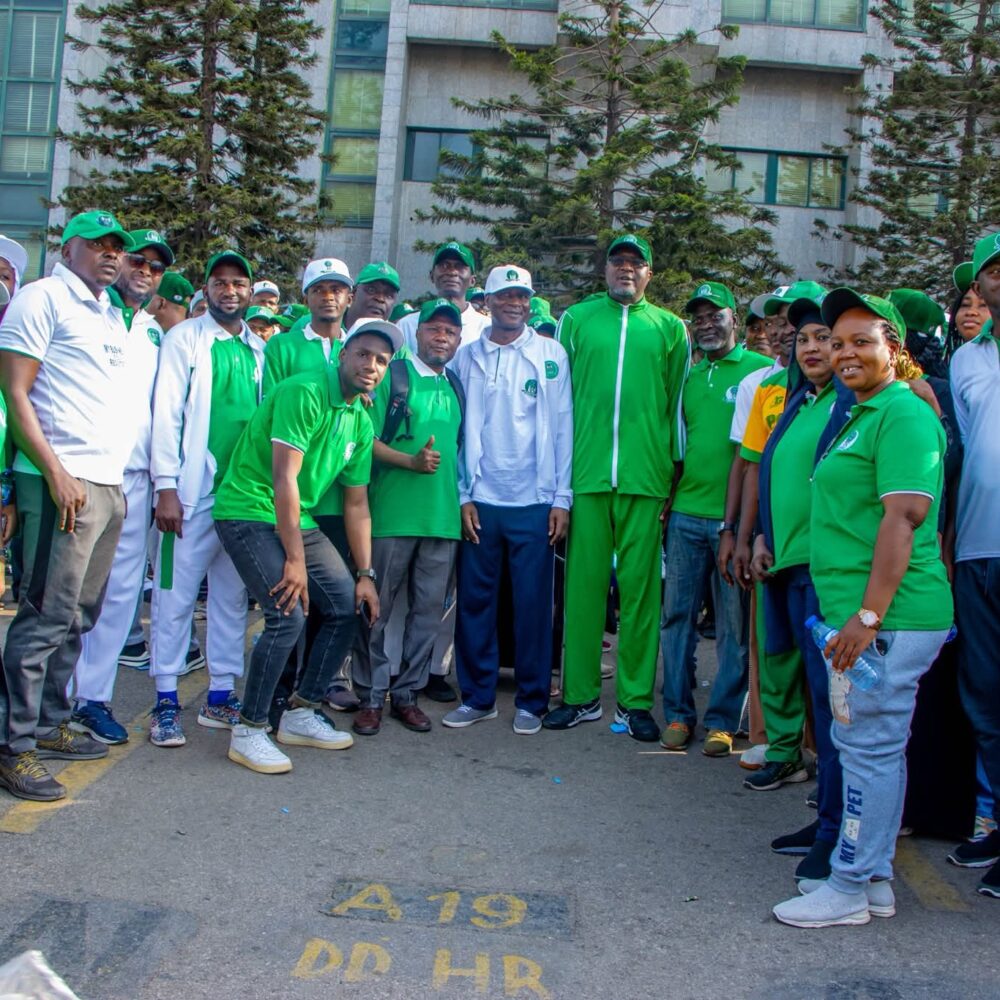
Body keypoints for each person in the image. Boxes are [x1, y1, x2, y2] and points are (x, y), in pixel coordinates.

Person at [773, 289, 953, 928]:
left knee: (867, 751)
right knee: (875, 749)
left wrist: (868, 617)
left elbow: (903, 519)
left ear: (893, 348)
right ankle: (873, 879)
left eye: (861, 342)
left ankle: (848, 884)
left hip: (888, 620)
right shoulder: (865, 412)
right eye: (838, 342)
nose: (844, 353)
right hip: (864, 616)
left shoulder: (901, 414)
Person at [213, 319, 395, 772]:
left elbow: (357, 504)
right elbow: (284, 478)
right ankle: (249, 729)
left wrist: (366, 575)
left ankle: (301, 712)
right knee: (287, 615)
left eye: (381, 360)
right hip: (248, 509)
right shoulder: (305, 391)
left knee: (348, 605)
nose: (371, 365)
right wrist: (294, 560)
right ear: (343, 355)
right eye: (363, 354)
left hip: (298, 517)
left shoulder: (360, 418)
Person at [0, 211, 133, 801]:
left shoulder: (107, 311)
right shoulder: (41, 298)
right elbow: (16, 391)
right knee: (44, 616)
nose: (111, 254)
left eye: (117, 247)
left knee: (79, 615)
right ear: (68, 248)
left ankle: (49, 724)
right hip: (61, 480)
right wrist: (55, 472)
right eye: (97, 244)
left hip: (105, 483)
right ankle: (13, 746)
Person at [544, 234, 688, 741]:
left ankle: (634, 702)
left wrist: (673, 474)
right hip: (585, 477)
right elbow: (557, 400)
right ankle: (580, 696)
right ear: (605, 269)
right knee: (582, 594)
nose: (626, 268)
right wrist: (558, 480)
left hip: (645, 480)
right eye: (618, 261)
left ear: (649, 273)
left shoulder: (670, 328)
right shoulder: (576, 320)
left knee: (640, 596)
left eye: (636, 262)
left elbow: (676, 406)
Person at [444, 266, 572, 735]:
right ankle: (478, 698)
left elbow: (564, 427)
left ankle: (531, 701)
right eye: (505, 296)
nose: (515, 304)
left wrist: (561, 498)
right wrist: (463, 495)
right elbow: (457, 433)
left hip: (534, 501)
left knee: (533, 605)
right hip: (482, 499)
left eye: (522, 297)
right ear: (489, 301)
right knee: (475, 603)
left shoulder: (550, 354)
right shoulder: (466, 356)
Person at [749, 300, 849, 882]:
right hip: (787, 565)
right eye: (803, 338)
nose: (811, 348)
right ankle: (827, 819)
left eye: (824, 337)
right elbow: (773, 474)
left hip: (825, 573)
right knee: (815, 697)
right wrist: (762, 534)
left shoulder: (850, 404)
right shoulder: (799, 401)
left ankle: (838, 833)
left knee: (836, 708)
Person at [147, 250, 264, 747]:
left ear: (250, 291)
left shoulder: (258, 348)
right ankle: (166, 701)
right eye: (220, 282)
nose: (229, 290)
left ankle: (220, 696)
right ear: (206, 289)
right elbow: (167, 414)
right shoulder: (185, 339)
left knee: (231, 600)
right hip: (190, 497)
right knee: (173, 598)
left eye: (238, 283)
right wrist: (166, 486)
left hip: (238, 500)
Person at [68, 229, 174, 745]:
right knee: (68, 595)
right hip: (85, 475)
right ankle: (47, 702)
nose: (145, 271)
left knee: (119, 597)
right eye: (138, 260)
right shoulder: (91, 312)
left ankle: (92, 698)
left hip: (135, 481)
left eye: (156, 267)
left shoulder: (154, 332)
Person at [659, 282, 771, 755]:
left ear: (734, 318)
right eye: (699, 318)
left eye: (715, 315)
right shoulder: (689, 375)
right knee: (676, 619)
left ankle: (723, 720)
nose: (706, 325)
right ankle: (678, 714)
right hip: (685, 515)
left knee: (732, 627)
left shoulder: (760, 371)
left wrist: (746, 526)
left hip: (735, 523)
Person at [352, 299, 465, 735]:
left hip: (442, 520)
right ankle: (370, 696)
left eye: (450, 331)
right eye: (434, 328)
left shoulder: (455, 385)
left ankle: (407, 695)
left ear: (458, 339)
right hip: (390, 517)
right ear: (418, 333)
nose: (441, 337)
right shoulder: (394, 376)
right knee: (375, 611)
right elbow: (363, 440)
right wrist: (410, 462)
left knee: (427, 615)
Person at [948, 232, 1000, 898]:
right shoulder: (966, 359)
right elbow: (964, 449)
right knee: (985, 697)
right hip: (976, 549)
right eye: (992, 270)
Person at [263, 258, 354, 392]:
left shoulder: (356, 350)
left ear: (349, 299)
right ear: (306, 301)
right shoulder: (280, 346)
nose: (328, 297)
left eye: (336, 290)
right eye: (318, 290)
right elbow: (270, 399)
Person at [397, 242, 489, 353]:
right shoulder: (407, 325)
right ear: (432, 276)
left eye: (459, 266)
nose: (452, 272)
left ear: (472, 280)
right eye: (444, 265)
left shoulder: (487, 328)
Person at [344, 262, 400, 328]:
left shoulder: (393, 333)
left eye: (389, 296)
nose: (380, 299)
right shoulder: (333, 323)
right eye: (371, 290)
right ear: (354, 293)